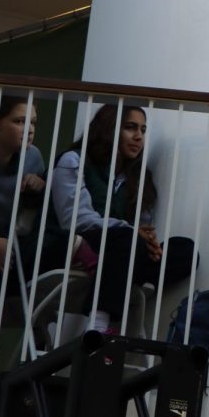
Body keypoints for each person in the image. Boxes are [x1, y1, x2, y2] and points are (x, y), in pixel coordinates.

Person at [49, 104, 196, 335]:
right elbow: (76, 220)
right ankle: (98, 325)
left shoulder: (139, 179)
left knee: (185, 251)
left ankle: (117, 275)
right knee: (127, 240)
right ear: (109, 129)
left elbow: (142, 225)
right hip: (76, 244)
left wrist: (150, 242)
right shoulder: (73, 160)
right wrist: (133, 232)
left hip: (122, 250)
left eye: (143, 130)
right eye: (130, 128)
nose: (139, 136)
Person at [0, 95, 46, 372]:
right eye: (19, 121)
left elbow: (27, 226)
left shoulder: (33, 158)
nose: (29, 129)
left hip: (10, 247)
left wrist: (36, 194)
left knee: (39, 247)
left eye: (33, 122)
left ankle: (40, 337)